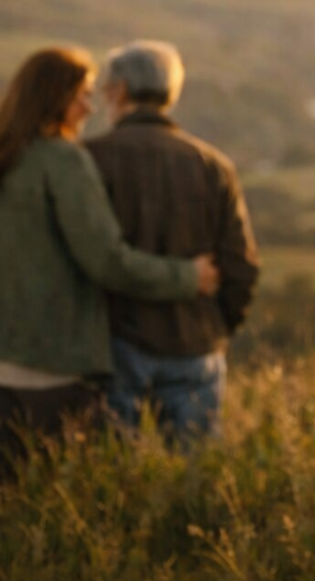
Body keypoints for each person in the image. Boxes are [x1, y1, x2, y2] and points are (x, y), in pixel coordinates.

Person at [0, 46, 219, 484]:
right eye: (82, 93)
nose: (89, 106)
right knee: (65, 495)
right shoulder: (63, 160)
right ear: (54, 97)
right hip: (50, 355)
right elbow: (107, 261)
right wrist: (188, 276)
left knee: (4, 488)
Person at [85, 40, 259, 444]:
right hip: (196, 344)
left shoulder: (90, 158)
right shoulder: (213, 164)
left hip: (113, 343)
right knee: (196, 486)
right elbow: (242, 266)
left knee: (110, 486)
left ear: (120, 90)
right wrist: (217, 327)